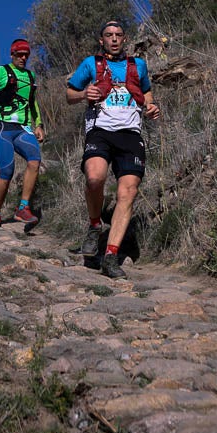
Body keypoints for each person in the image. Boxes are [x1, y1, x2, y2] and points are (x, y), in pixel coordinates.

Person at [65, 20, 161, 278]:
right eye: (109, 35)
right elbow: (69, 94)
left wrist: (150, 107)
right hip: (100, 130)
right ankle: (95, 225)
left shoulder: (138, 65)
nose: (114, 39)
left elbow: (147, 94)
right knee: (95, 177)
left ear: (125, 38)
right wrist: (85, 94)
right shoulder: (91, 64)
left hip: (130, 134)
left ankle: (110, 256)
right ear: (102, 40)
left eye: (119, 35)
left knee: (127, 192)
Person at [0, 39, 45, 230]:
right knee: (7, 171)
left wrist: (38, 124)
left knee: (34, 160)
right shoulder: (0, 71)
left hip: (22, 127)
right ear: (12, 54)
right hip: (1, 127)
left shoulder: (30, 76)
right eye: (19, 54)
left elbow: (32, 102)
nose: (23, 58)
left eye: (26, 55)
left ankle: (23, 207)